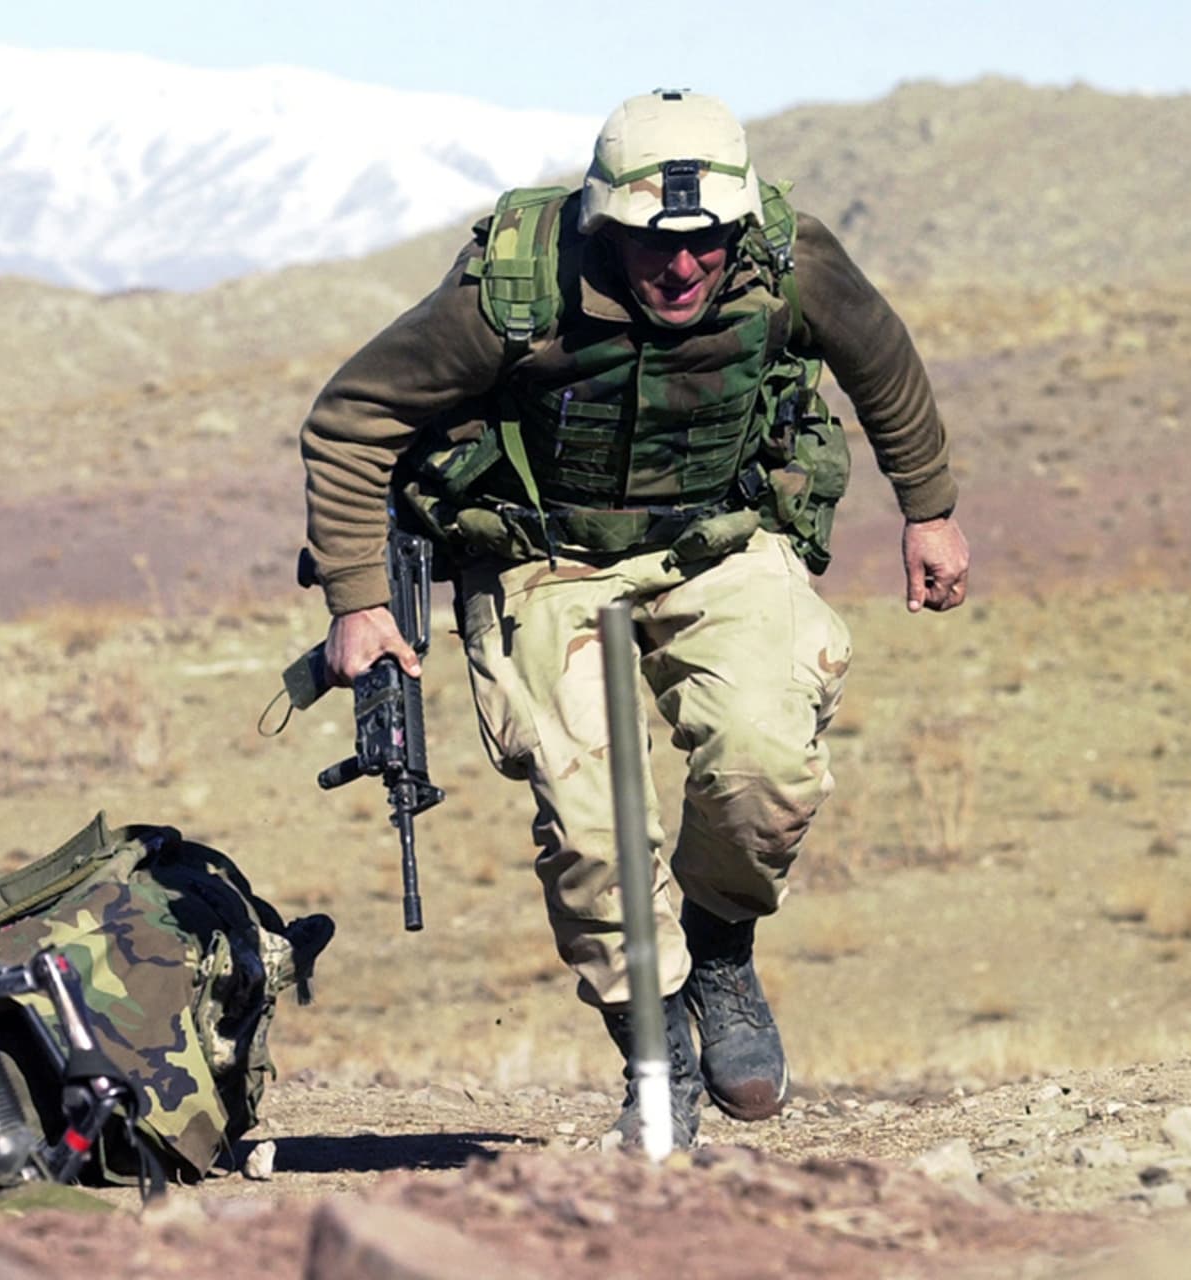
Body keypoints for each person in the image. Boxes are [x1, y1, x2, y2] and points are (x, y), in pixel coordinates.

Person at [298, 89, 968, 1144]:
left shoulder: (788, 260)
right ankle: (656, 1054)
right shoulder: (510, 292)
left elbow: (880, 359)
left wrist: (929, 512)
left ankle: (722, 952)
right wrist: (358, 601)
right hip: (544, 560)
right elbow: (351, 419)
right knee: (594, 824)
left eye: (706, 244)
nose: (685, 268)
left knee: (766, 756)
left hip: (719, 537)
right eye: (655, 245)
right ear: (605, 225)